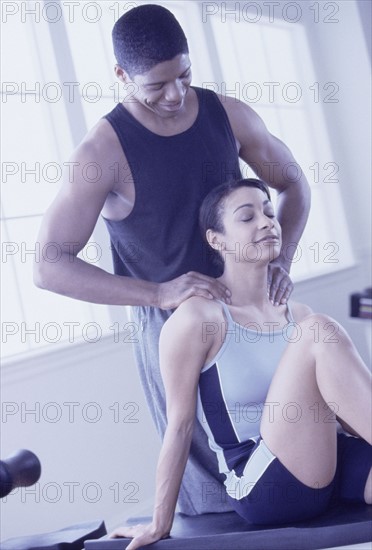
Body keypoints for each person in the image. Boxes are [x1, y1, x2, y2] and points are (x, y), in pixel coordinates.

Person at [33, 5, 311, 514]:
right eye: (156, 85)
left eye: (184, 75)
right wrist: (158, 293)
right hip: (176, 332)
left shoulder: (228, 114)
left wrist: (282, 263)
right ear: (121, 76)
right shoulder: (100, 152)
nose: (176, 94)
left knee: (293, 462)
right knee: (211, 500)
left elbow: (294, 183)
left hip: (255, 314)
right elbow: (49, 264)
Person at [110, 178, 372, 549]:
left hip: (329, 457)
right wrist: (159, 522)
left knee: (315, 327)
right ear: (216, 239)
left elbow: (347, 409)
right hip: (266, 482)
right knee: (319, 330)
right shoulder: (198, 318)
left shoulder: (297, 313)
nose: (267, 222)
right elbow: (180, 425)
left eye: (269, 212)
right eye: (247, 217)